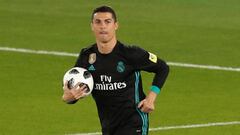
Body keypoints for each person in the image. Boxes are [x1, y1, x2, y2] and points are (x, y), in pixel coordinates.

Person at [62, 5, 169, 135]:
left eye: (107, 22)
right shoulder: (86, 56)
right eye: (98, 22)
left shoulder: (131, 54)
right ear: (92, 26)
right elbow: (73, 92)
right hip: (108, 125)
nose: (103, 26)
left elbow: (162, 67)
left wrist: (151, 98)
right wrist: (68, 97)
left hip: (134, 122)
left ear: (116, 25)